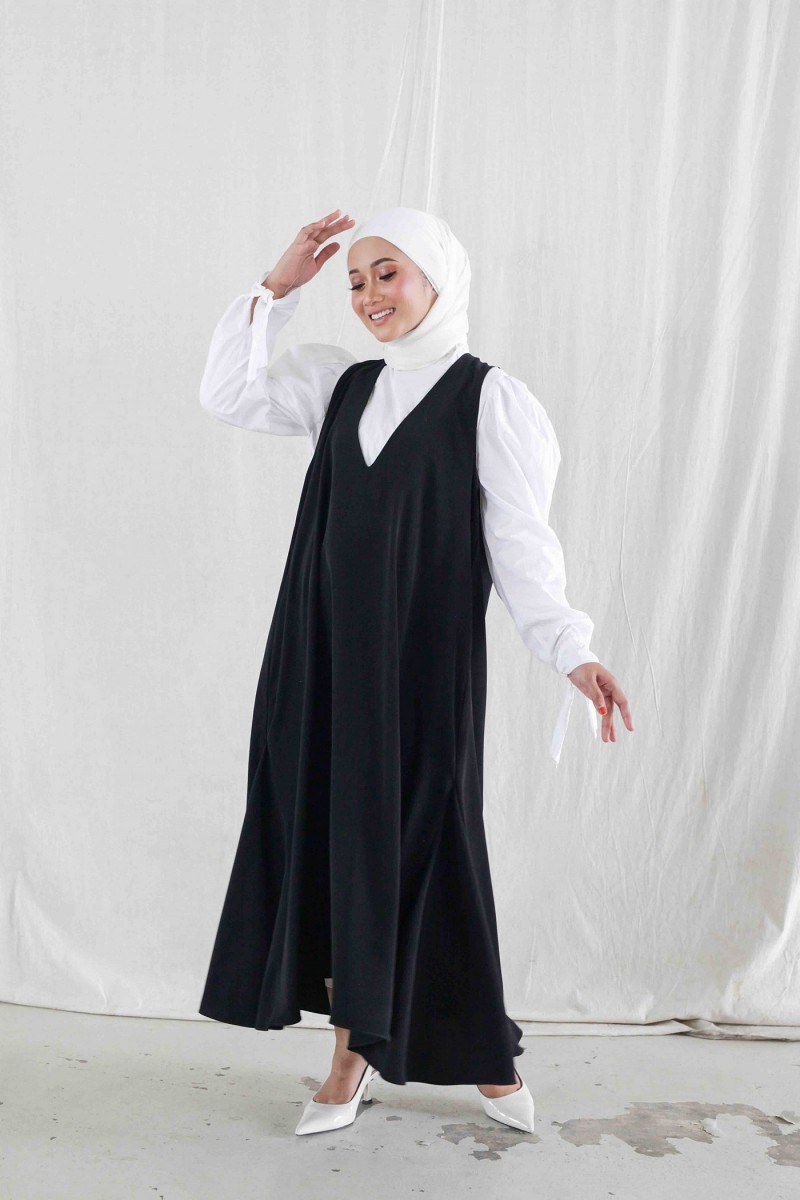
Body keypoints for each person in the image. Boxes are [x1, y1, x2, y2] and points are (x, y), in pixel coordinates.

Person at [197, 206, 634, 1137]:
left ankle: (484, 1059)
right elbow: (228, 393)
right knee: (332, 842)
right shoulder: (339, 384)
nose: (367, 296)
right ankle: (349, 1057)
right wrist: (276, 290)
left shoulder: (490, 400)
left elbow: (521, 544)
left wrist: (573, 649)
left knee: (430, 846)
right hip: (317, 657)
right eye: (356, 281)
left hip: (421, 668)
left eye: (386, 273)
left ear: (439, 277)